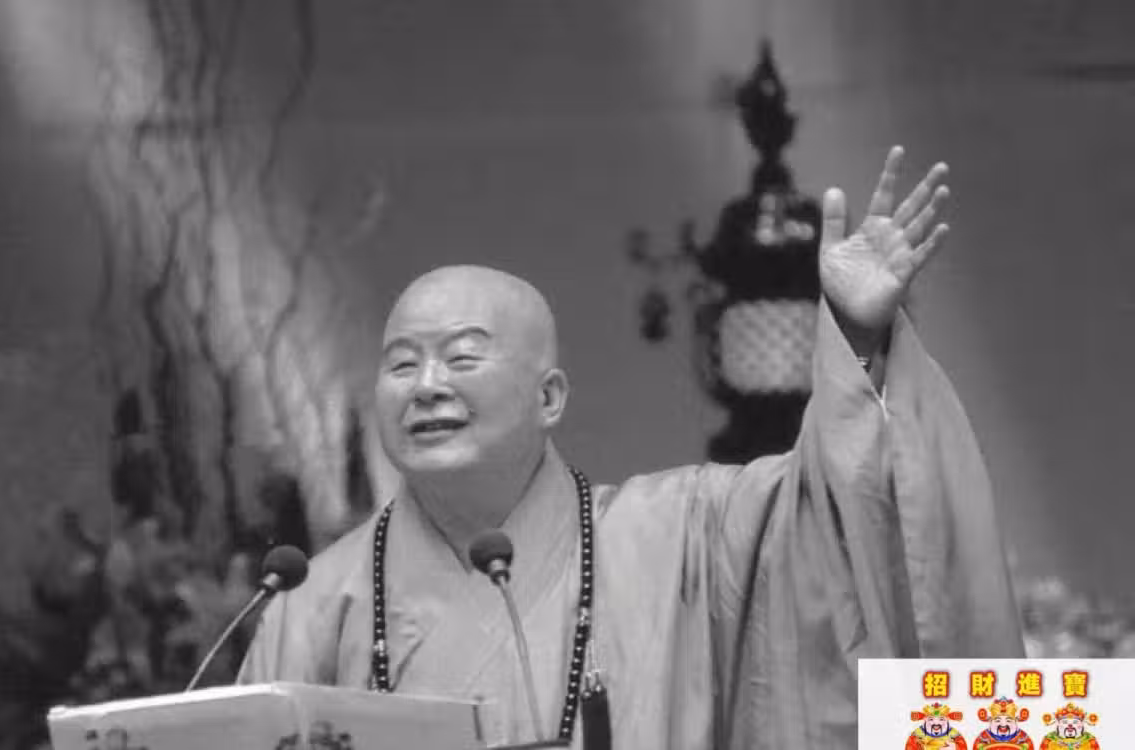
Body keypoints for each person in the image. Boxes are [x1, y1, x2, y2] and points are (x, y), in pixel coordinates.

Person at [239, 147, 1024, 749]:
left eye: (463, 357)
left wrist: (854, 336)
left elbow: (835, 527)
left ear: (549, 398)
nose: (428, 386)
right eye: (401, 365)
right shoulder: (310, 604)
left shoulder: (682, 537)